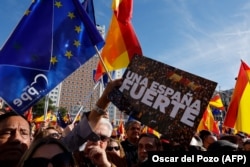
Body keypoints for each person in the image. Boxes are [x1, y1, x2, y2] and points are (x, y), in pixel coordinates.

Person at [0, 78, 123, 167]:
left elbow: (81, 132)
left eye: (60, 162)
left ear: (31, 139)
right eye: (7, 132)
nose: (16, 138)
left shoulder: (51, 150)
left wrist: (105, 98)